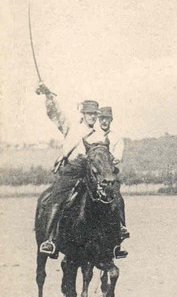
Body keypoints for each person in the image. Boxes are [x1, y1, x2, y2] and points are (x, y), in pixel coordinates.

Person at [35, 82, 100, 256]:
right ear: (83, 114)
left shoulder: (99, 135)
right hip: (71, 172)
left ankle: (111, 240)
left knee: (109, 200)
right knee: (57, 199)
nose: (92, 117)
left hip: (92, 175)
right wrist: (48, 95)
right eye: (89, 113)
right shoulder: (73, 128)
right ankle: (49, 240)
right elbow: (57, 114)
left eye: (95, 114)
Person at [88, 106, 130, 257]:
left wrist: (106, 158)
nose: (104, 121)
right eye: (102, 118)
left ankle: (120, 231)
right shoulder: (91, 135)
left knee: (118, 199)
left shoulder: (117, 138)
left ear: (111, 120)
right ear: (98, 120)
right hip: (94, 175)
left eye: (107, 118)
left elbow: (117, 157)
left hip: (110, 175)